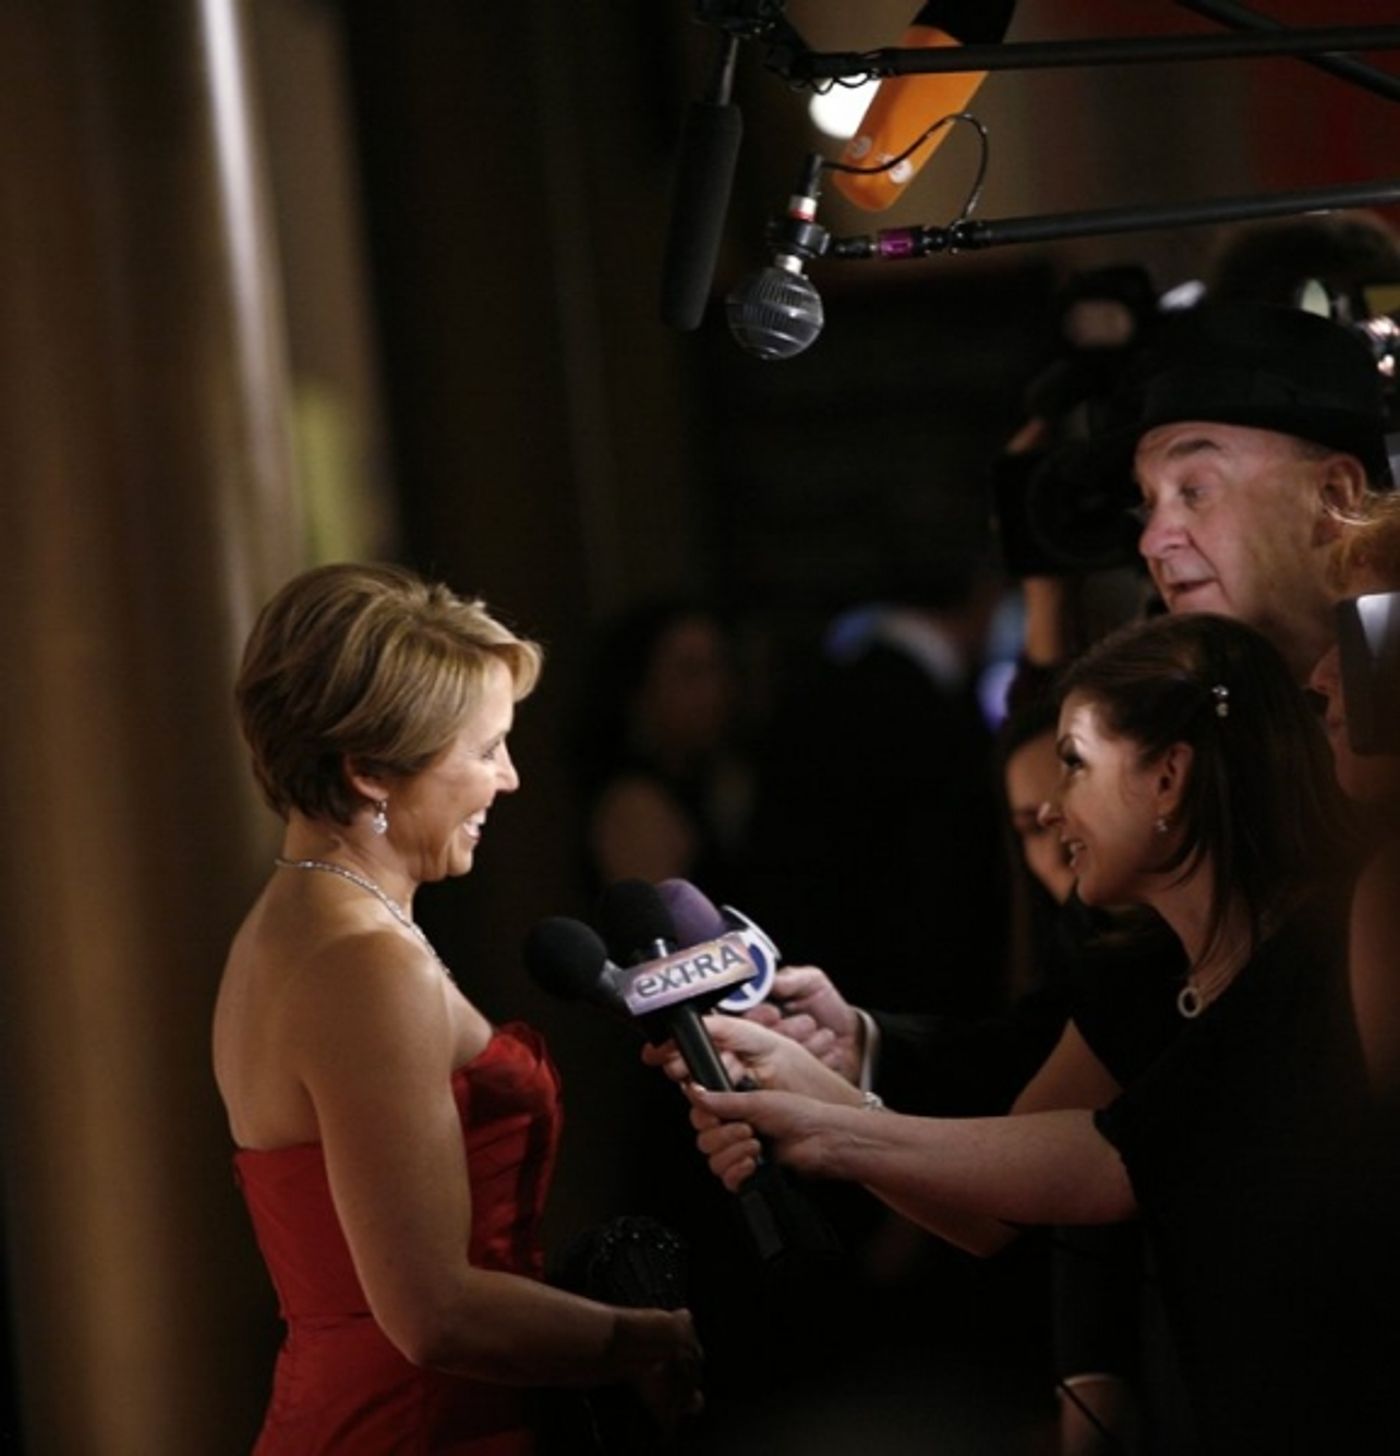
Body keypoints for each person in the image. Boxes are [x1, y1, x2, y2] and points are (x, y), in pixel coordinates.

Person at [674, 611, 1395, 1454]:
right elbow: (997, 1197)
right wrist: (802, 1083)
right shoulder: (1145, 973)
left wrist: (822, 1128)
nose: (1051, 811)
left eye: (1074, 765)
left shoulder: (1317, 953)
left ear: (1169, 778)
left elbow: (1105, 1161)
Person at [213, 563, 701, 1455]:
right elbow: (434, 1312)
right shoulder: (362, 965)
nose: (508, 780)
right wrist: (645, 1341)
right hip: (417, 1427)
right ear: (368, 771)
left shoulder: (294, 927)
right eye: (483, 751)